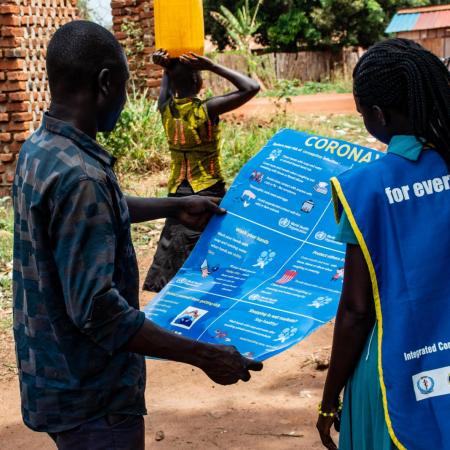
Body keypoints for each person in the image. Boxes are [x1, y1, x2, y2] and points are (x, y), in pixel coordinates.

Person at [12, 21, 262, 450]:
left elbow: (86, 214)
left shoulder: (42, 148)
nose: (127, 100)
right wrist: (205, 355)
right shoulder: (82, 175)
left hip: (53, 378)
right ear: (106, 83)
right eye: (126, 86)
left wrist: (173, 206)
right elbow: (97, 311)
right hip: (94, 396)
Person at [317, 39, 450, 450]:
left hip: (394, 368)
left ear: (378, 115)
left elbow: (358, 310)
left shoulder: (366, 189)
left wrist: (328, 399)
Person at [143, 50, 260, 292]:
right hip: (208, 189)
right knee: (217, 253)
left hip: (178, 191)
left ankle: (172, 308)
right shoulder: (206, 109)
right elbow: (251, 87)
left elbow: (168, 89)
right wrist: (213, 65)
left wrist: (167, 68)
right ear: (200, 81)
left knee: (174, 258)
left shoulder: (166, 109)